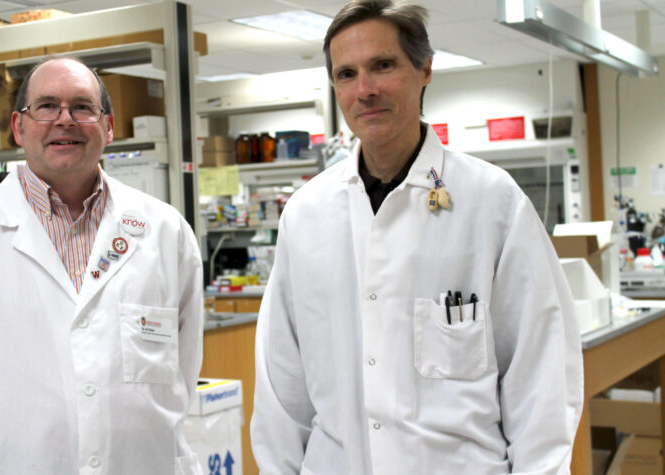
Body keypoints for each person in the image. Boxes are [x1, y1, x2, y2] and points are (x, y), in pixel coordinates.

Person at [250, 1, 584, 473]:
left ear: (424, 69)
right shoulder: (306, 214)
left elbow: (542, 372)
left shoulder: (492, 201)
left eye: (382, 66)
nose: (364, 90)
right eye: (346, 74)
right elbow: (281, 382)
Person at [0, 57, 204, 474]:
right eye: (46, 107)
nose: (66, 120)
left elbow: (183, 371)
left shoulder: (164, 230)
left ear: (109, 126)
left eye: (83, 107)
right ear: (18, 126)